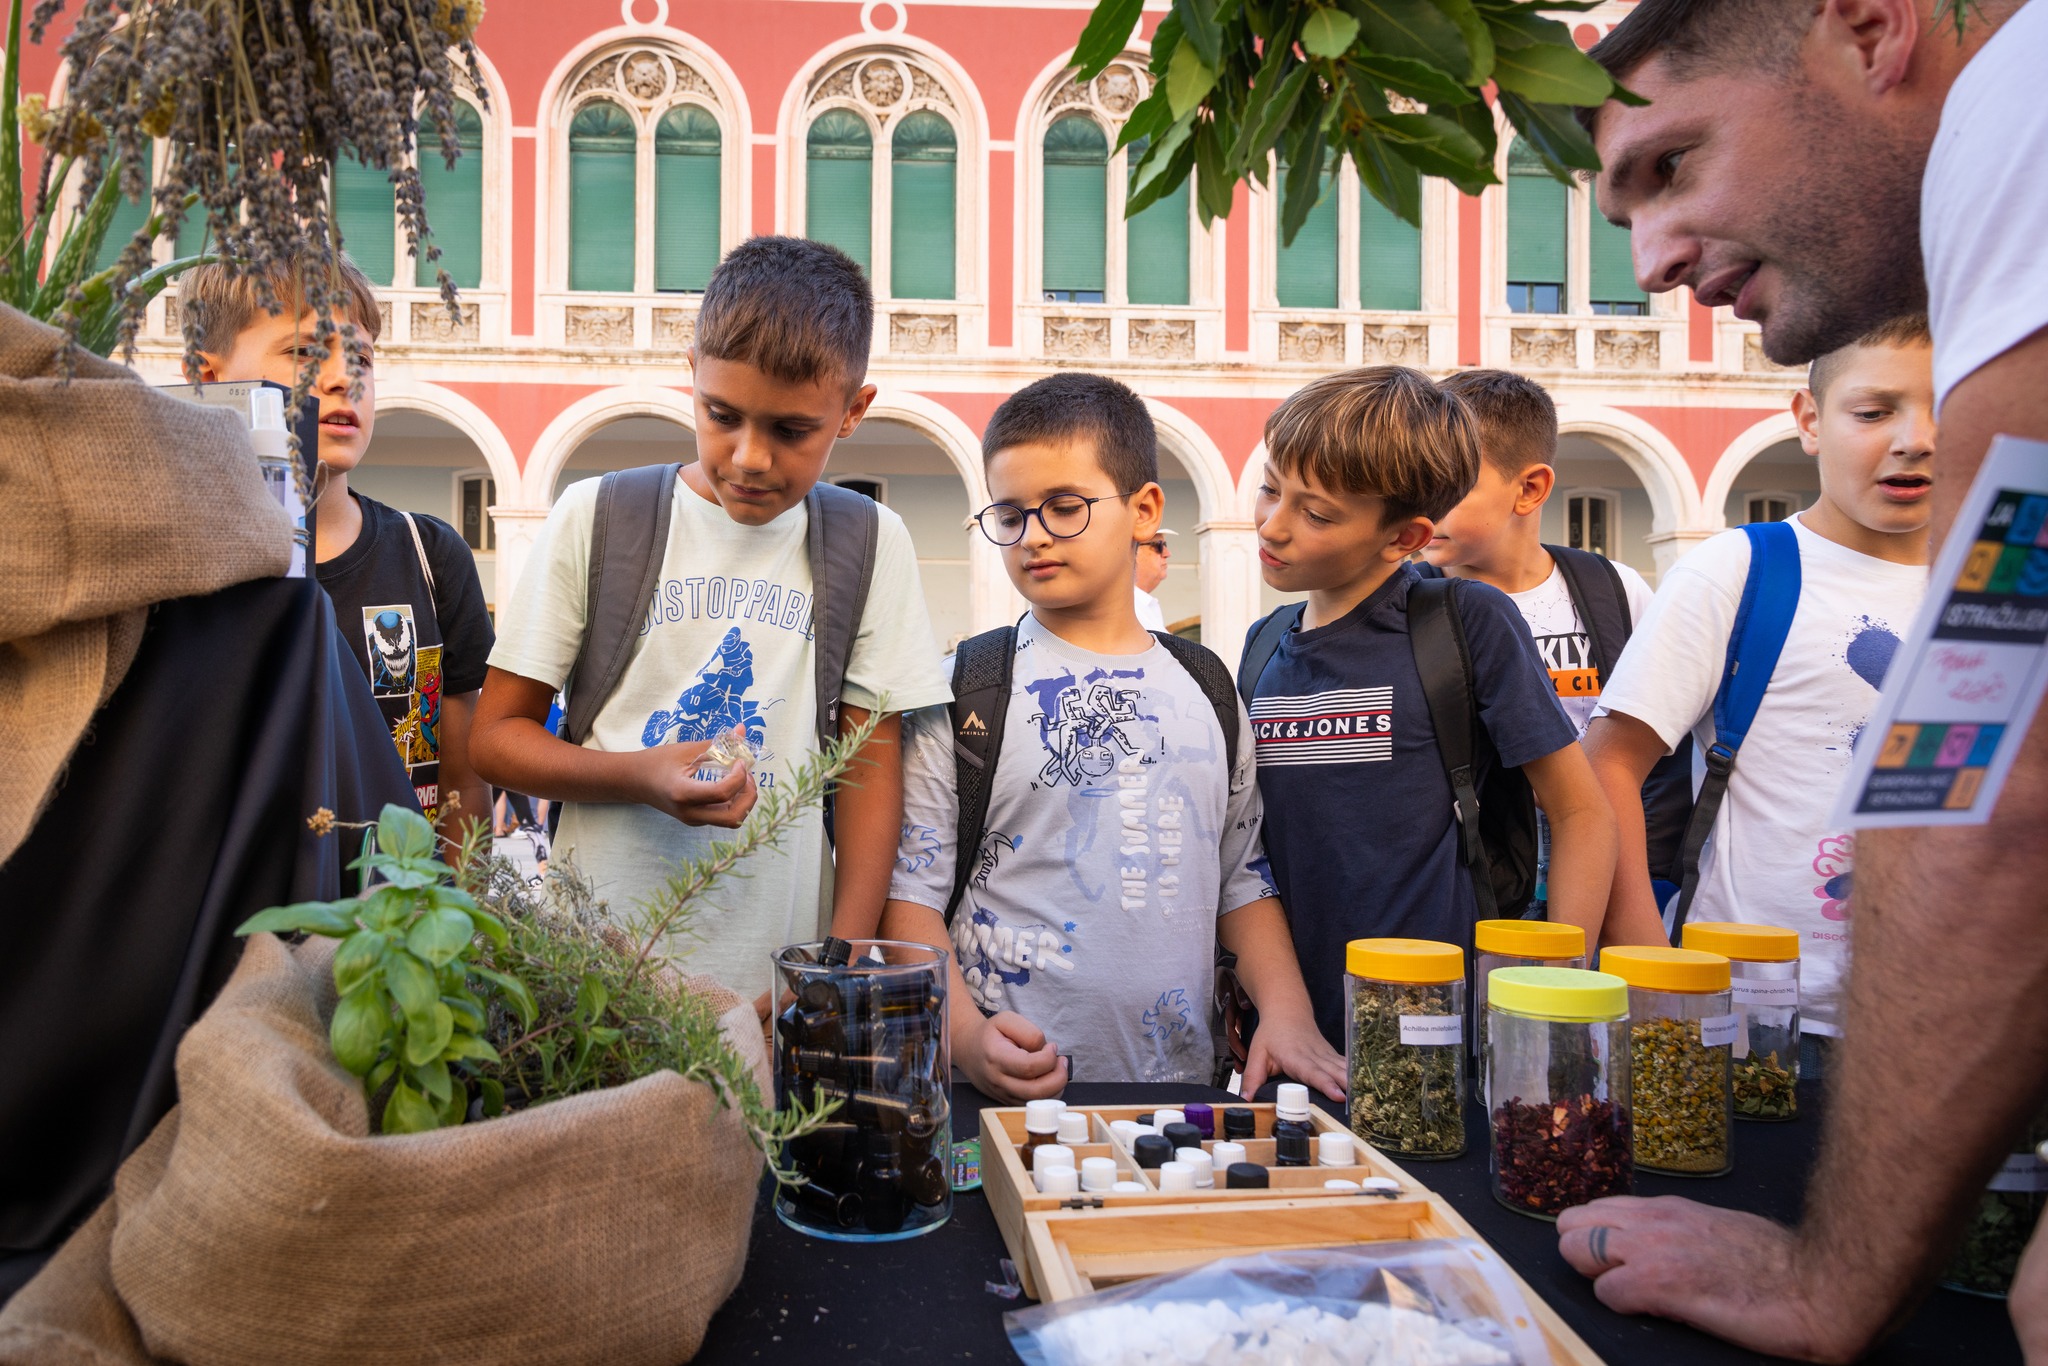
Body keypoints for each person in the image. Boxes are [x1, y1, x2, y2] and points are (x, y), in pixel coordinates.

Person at [1553, 2, 2048, 1359]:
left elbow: (1988, 751)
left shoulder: (2018, 112)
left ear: (1870, 30)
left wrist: (1831, 1273)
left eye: (1672, 164)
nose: (1651, 259)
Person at [471, 237, 951, 1006]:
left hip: (775, 987)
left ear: (853, 412)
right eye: (721, 415)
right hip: (595, 987)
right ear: (691, 372)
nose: (750, 456)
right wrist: (639, 776)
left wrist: (830, 972)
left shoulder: (869, 541)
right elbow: (495, 738)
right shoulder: (597, 516)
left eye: (791, 430)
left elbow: (869, 768)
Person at [879, 374, 1343, 1103]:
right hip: (1003, 1094)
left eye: (1065, 507)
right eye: (1009, 514)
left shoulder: (1209, 688)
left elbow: (1242, 876)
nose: (1033, 536)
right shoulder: (965, 689)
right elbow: (910, 897)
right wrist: (964, 1037)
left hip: (1179, 1093)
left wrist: (1288, 1013)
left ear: (1144, 510)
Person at [1240, 366, 1618, 1047]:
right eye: (1270, 488)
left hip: (1436, 1032)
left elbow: (1581, 811)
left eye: (1316, 513)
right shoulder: (1262, 645)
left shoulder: (1465, 621)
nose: (1273, 524)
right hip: (1296, 1031)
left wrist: (1553, 998)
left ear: (1405, 538)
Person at [1588, 316, 1934, 1033]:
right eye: (1874, 412)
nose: (1916, 439)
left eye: (1949, 409)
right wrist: (1656, 976)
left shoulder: (2008, 586)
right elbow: (1608, 763)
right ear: (1809, 420)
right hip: (1756, 1020)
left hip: (1959, 1022)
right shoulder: (1737, 569)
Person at [189, 255, 493, 840]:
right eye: (305, 352)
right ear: (208, 376)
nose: (342, 378)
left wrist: (461, 896)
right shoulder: (178, 565)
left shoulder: (430, 555)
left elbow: (464, 783)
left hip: (399, 894)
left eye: (361, 359)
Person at [1423, 369, 1659, 933]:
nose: (1425, 505)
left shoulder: (1615, 591)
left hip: (1606, 885)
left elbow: (1654, 761)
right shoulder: (1410, 607)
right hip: (1475, 894)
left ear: (1529, 489)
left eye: (1450, 484)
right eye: (1418, 481)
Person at [1134, 528, 1173, 632]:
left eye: (1165, 545)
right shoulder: (1125, 608)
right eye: (1158, 546)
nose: (1167, 553)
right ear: (1132, 551)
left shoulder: (1144, 604)